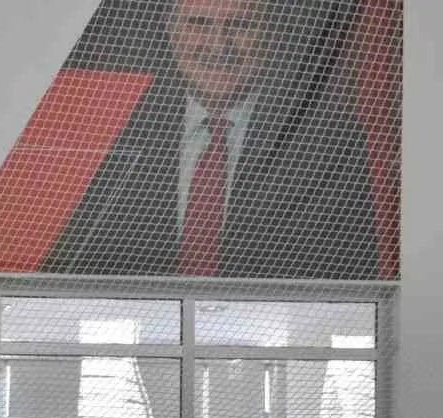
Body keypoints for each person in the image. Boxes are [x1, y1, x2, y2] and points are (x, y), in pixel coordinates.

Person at [42, 0, 378, 279]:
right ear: (171, 32)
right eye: (198, 23)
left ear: (271, 35)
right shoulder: (112, 130)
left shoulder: (332, 141)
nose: (218, 46)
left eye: (241, 26)